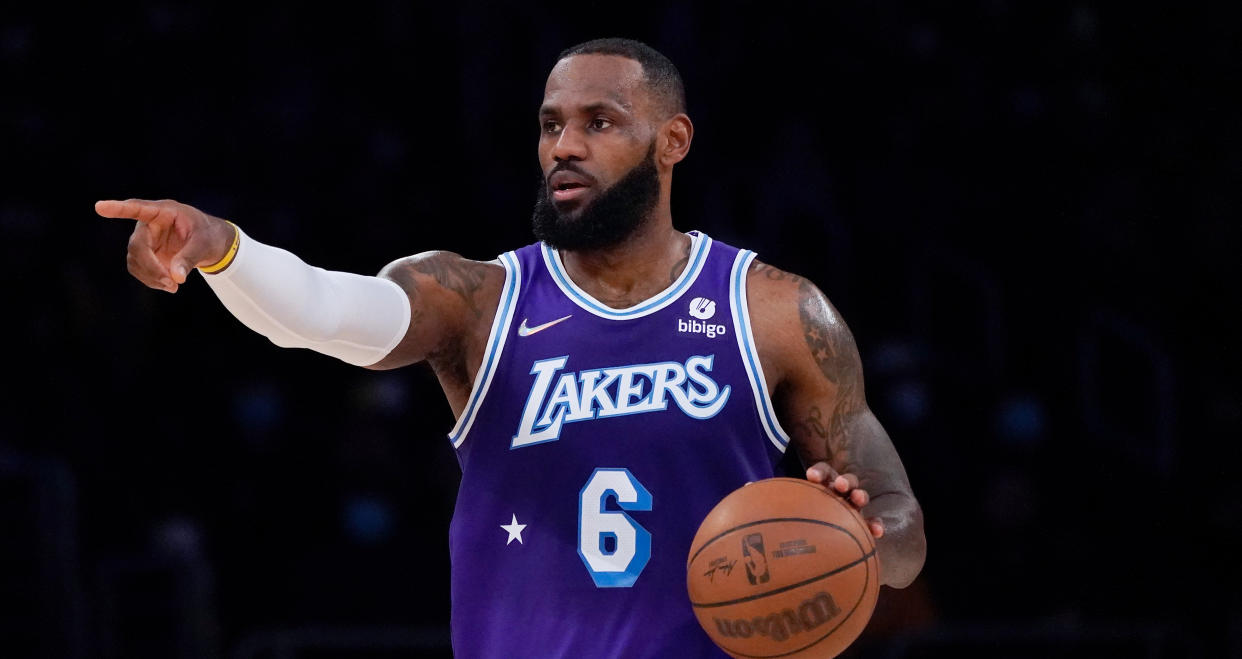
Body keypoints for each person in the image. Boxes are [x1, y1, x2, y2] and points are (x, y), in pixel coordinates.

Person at [96, 38, 925, 658]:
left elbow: (900, 520)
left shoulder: (775, 309)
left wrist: (858, 541)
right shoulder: (482, 303)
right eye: (551, 124)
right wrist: (222, 249)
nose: (564, 145)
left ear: (672, 141)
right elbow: (324, 311)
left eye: (599, 122)